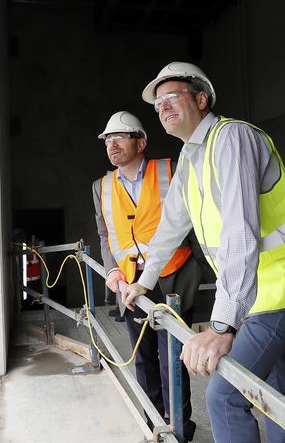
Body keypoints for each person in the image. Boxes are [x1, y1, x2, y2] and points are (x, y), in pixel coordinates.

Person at [123, 62, 285, 442]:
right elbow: (169, 230)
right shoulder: (191, 160)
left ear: (201, 98)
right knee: (273, 384)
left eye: (171, 97)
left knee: (225, 395)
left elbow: (241, 235)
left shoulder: (232, 138)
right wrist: (143, 282)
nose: (162, 107)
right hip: (263, 287)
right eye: (157, 103)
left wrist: (223, 325)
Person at [92, 111, 199, 441]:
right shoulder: (101, 186)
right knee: (143, 357)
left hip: (174, 276)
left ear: (141, 142)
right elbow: (104, 233)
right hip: (130, 282)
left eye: (120, 137)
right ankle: (153, 424)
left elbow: (194, 220)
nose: (113, 145)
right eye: (108, 140)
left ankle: (180, 429)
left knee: (173, 358)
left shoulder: (171, 169)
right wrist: (110, 269)